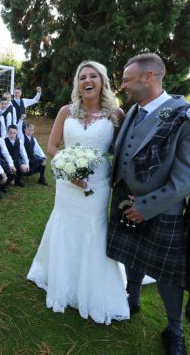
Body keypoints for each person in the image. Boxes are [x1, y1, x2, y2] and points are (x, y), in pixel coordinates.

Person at [108, 53, 190, 354]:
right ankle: (131, 299)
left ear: (150, 77)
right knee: (131, 255)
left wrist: (146, 206)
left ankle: (175, 330)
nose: (122, 86)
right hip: (124, 201)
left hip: (162, 210)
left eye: (127, 79)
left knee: (167, 273)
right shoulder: (133, 111)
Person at [27, 60, 129, 324]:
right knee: (65, 226)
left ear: (103, 81)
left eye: (93, 76)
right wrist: (67, 168)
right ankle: (62, 280)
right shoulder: (66, 112)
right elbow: (52, 146)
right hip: (66, 184)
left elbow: (121, 154)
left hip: (96, 186)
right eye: (82, 76)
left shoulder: (116, 114)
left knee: (92, 230)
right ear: (77, 84)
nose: (87, 80)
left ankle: (91, 288)